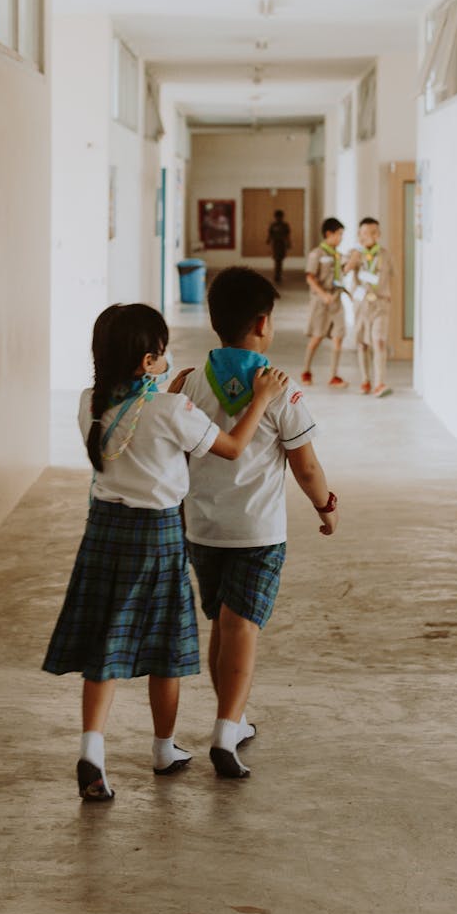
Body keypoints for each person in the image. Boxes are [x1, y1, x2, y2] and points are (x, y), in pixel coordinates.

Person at [42, 302, 288, 803]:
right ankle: (162, 749)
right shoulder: (174, 411)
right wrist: (262, 398)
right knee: (167, 649)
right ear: (147, 360)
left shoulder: (90, 400)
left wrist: (167, 395)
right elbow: (234, 446)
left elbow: (138, 424)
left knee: (105, 648)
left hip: (103, 533)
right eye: (160, 351)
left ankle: (92, 749)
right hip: (158, 536)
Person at [172, 267, 339, 780]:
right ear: (264, 323)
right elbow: (305, 465)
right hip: (258, 533)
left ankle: (234, 717)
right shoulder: (281, 391)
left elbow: (174, 455)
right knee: (242, 624)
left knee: (223, 622)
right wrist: (325, 506)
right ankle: (225, 731)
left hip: (201, 529)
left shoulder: (188, 384)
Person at [346, 216, 394, 397]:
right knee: (363, 344)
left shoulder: (385, 254)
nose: (370, 236)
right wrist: (356, 256)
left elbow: (391, 278)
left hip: (381, 304)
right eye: (365, 233)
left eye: (373, 232)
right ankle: (366, 380)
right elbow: (345, 270)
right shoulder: (354, 252)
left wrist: (389, 296)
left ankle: (380, 383)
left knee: (379, 341)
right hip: (361, 304)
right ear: (359, 235)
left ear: (379, 234)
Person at [301, 216, 348, 388]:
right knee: (317, 336)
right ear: (329, 233)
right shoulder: (317, 254)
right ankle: (306, 371)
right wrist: (323, 295)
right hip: (321, 302)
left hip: (336, 300)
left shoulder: (338, 255)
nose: (341, 238)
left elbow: (344, 270)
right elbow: (310, 277)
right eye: (339, 234)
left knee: (339, 336)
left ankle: (334, 375)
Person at [266, 208, 292, 284]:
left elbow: (287, 235)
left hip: (282, 244)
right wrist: (268, 240)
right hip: (275, 244)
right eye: (277, 216)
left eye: (280, 216)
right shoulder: (273, 225)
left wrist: (288, 243)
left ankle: (278, 275)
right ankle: (277, 275)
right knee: (277, 260)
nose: (278, 218)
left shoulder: (285, 225)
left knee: (280, 260)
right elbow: (270, 234)